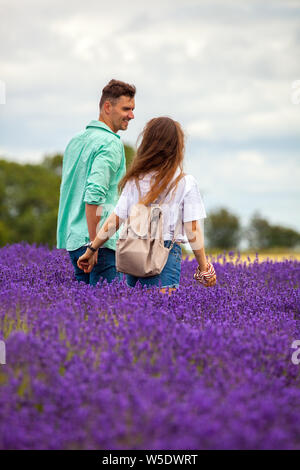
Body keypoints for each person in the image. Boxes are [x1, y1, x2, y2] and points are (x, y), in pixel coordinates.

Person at [77, 117, 216, 292]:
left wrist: (92, 249)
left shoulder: (135, 180)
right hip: (164, 255)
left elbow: (115, 219)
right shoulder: (184, 182)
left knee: (137, 314)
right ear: (176, 147)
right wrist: (204, 267)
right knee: (160, 316)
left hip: (133, 251)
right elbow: (192, 229)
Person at [56, 79, 136, 285]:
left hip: (73, 240)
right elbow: (93, 195)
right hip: (101, 244)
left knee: (85, 312)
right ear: (107, 107)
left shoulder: (76, 141)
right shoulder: (110, 144)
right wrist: (94, 245)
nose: (131, 115)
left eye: (133, 109)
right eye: (126, 109)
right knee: (108, 312)